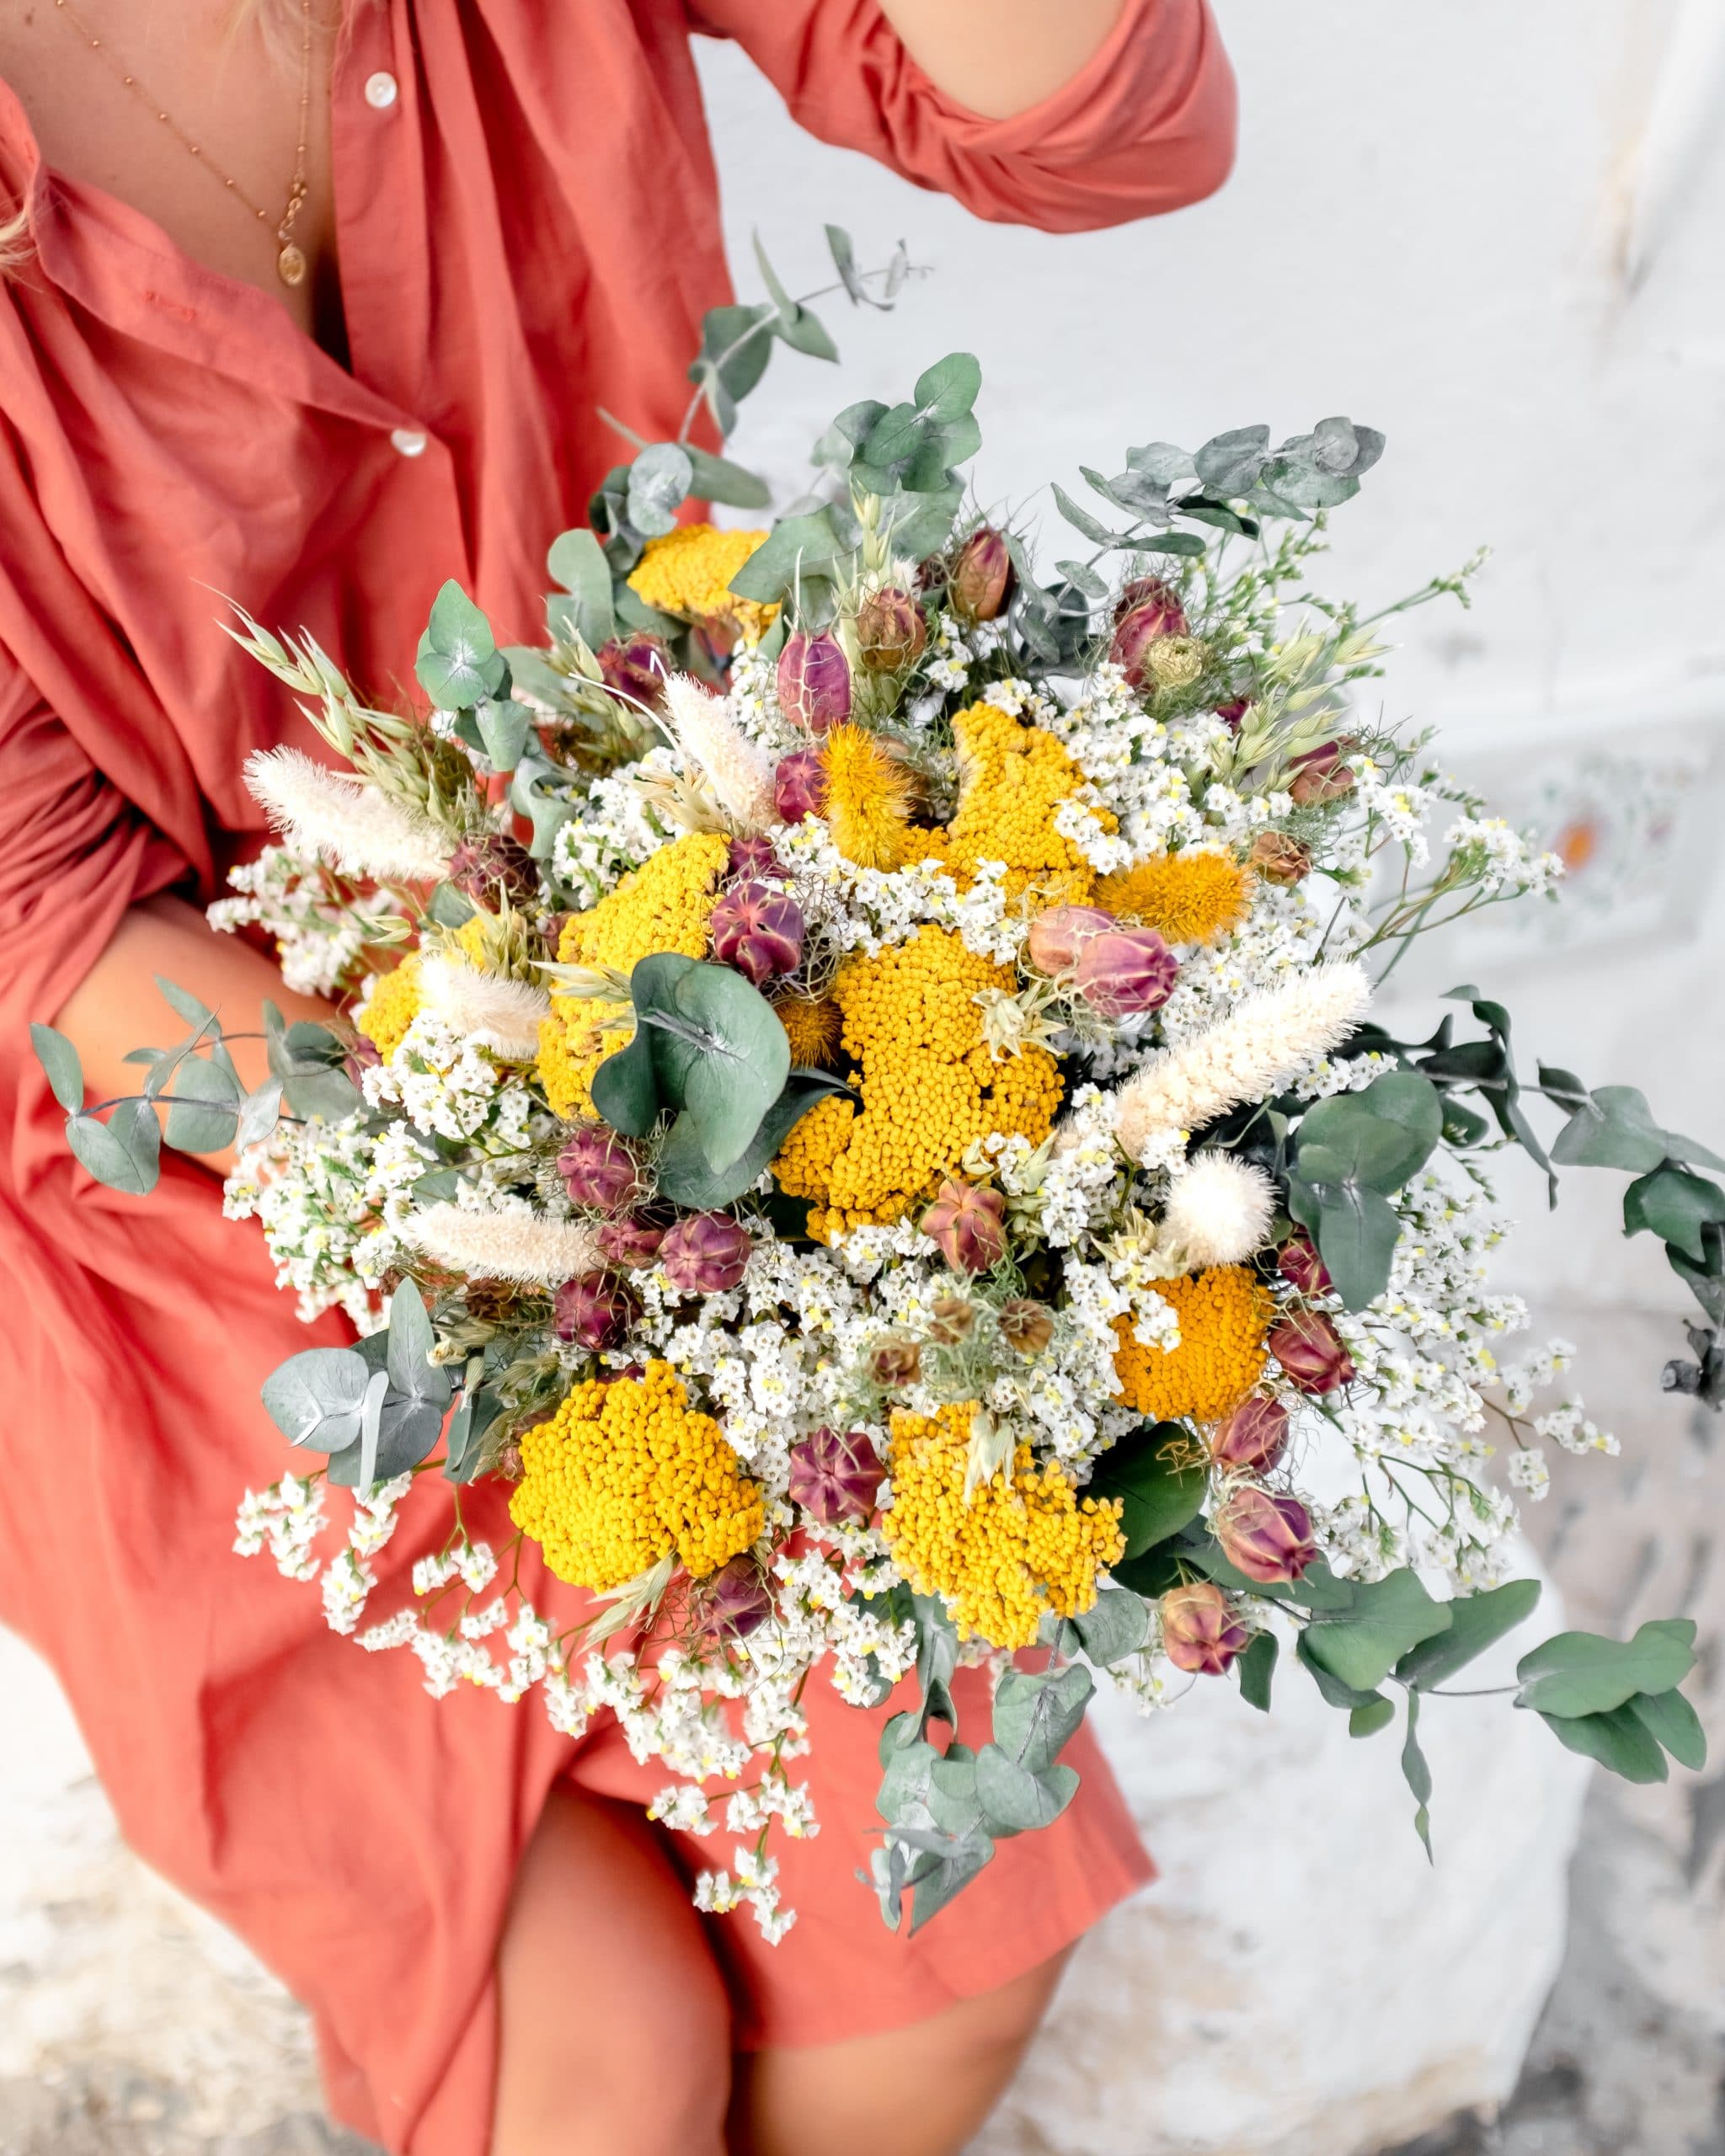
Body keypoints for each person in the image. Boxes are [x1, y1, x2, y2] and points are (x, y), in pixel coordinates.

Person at [0, 4, 1235, 2150]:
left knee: (933, 1978)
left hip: (691, 1068)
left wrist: (725, 1168)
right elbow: (51, 938)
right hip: (174, 1181)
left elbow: (1099, 129)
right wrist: (630, 1174)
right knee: (601, 2075)